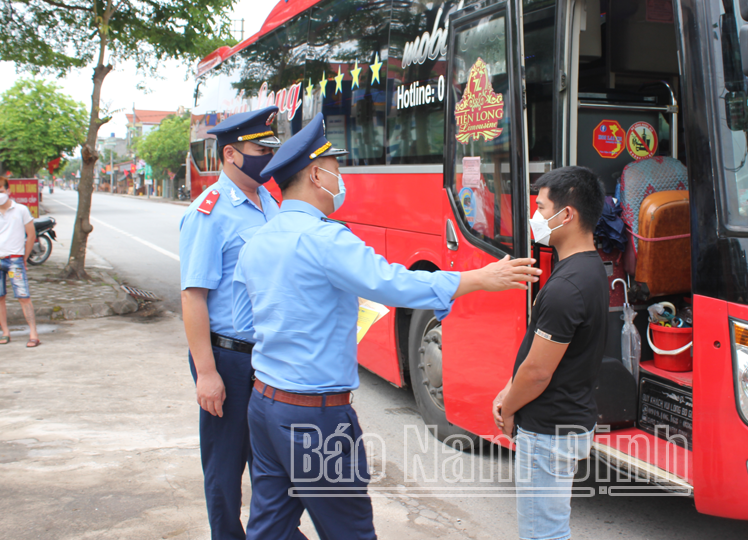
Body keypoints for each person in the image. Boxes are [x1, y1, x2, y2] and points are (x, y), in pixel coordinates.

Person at [232, 112, 542, 540]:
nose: (341, 181)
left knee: (269, 527)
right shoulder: (324, 239)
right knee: (350, 531)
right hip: (313, 417)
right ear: (315, 174)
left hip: (265, 405)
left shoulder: (260, 238)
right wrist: (478, 279)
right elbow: (393, 282)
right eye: (336, 171)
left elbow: (252, 316)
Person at [178, 105, 282, 540]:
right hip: (228, 359)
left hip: (269, 358)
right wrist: (206, 373)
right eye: (259, 149)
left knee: (271, 467)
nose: (267, 158)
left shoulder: (272, 204)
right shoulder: (210, 212)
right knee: (224, 469)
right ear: (230, 155)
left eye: (270, 149)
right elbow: (193, 295)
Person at [492, 166, 609, 540]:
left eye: (541, 208)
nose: (535, 218)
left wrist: (508, 406)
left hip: (548, 430)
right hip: (568, 418)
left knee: (544, 533)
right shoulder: (589, 269)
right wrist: (509, 387)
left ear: (568, 214)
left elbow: (539, 372)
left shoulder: (567, 288)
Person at [0, 176, 40, 347]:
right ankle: (5, 332)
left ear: (8, 191)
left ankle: (33, 333)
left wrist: (23, 258)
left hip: (14, 260)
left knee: (23, 296)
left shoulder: (21, 210)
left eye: (0, 191)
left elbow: (31, 235)